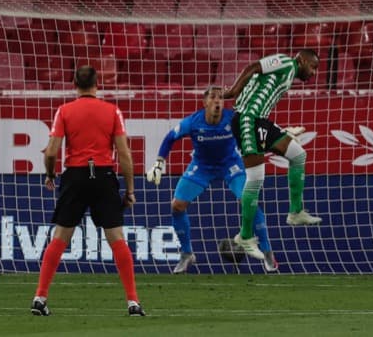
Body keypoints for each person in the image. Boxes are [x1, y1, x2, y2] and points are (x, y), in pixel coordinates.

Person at [32, 65, 144, 317]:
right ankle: (133, 302)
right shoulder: (112, 111)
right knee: (117, 238)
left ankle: (40, 297)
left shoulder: (64, 111)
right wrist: (130, 190)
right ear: (97, 84)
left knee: (60, 236)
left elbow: (51, 152)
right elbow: (124, 154)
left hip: (75, 176)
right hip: (103, 175)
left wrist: (50, 174)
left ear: (74, 84)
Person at [145, 86, 277, 273]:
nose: (217, 101)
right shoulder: (193, 122)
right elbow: (170, 138)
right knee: (177, 205)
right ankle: (187, 253)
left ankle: (267, 250)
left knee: (249, 200)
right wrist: (159, 162)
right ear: (205, 103)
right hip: (202, 167)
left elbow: (258, 129)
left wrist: (280, 137)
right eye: (213, 97)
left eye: (221, 98)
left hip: (230, 165)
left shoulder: (233, 119)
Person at [223, 48, 322, 262]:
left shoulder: (289, 74)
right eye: (313, 67)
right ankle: (245, 237)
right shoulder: (285, 63)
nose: (314, 73)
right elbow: (253, 67)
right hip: (247, 119)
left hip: (261, 121)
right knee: (255, 178)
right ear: (302, 60)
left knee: (298, 155)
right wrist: (233, 91)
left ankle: (295, 213)